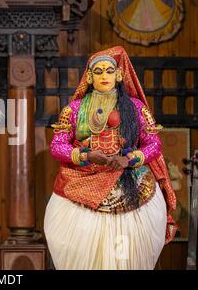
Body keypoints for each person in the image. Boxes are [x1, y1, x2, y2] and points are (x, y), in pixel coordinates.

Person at [44, 46, 177, 270]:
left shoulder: (136, 108)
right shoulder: (74, 110)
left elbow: (153, 144)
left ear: (118, 74)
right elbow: (57, 147)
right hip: (81, 184)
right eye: (98, 71)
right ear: (89, 77)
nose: (104, 76)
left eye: (108, 71)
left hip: (131, 184)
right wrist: (86, 155)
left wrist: (130, 159)